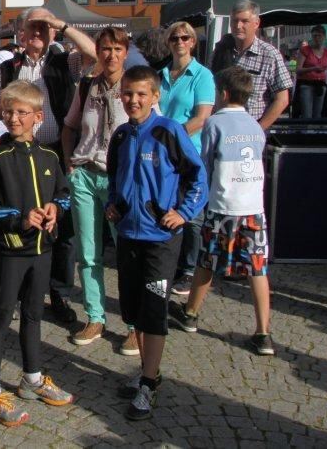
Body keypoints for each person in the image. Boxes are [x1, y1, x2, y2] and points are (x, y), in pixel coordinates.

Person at [105, 65, 207, 421]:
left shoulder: (169, 131)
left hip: (161, 239)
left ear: (155, 96)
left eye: (141, 94)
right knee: (132, 309)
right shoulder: (119, 136)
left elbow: (198, 177)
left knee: (153, 310)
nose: (134, 100)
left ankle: (149, 382)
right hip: (129, 235)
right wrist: (112, 206)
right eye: (128, 94)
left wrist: (183, 211)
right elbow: (115, 178)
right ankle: (148, 371)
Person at [0, 7, 97, 324]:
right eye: (31, 28)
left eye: (42, 28)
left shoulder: (65, 61)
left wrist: (60, 24)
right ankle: (22, 287)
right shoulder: (8, 66)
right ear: (20, 33)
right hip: (19, 152)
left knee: (60, 224)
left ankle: (57, 292)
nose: (37, 33)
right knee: (24, 216)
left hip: (54, 151)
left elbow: (93, 52)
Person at [0, 81, 74, 427]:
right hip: (11, 251)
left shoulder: (49, 156)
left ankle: (31, 378)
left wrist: (53, 209)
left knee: (34, 314)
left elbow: (64, 193)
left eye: (21, 113)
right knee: (1, 317)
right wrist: (19, 217)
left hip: (42, 250)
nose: (14, 118)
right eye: (8, 112)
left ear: (38, 117)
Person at [169, 66, 274, 355]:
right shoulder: (255, 125)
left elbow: (205, 163)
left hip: (222, 205)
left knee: (207, 260)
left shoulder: (214, 123)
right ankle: (263, 332)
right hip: (252, 206)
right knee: (257, 267)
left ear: (223, 93)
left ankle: (190, 313)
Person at [60, 27, 137, 355]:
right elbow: (69, 126)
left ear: (126, 51)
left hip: (119, 181)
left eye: (117, 49)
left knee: (127, 254)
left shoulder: (135, 87)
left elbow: (151, 129)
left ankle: (135, 324)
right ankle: (95, 316)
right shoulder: (88, 85)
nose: (111, 55)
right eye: (105, 48)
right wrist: (69, 165)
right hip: (85, 176)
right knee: (88, 253)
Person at [159, 22, 215, 296]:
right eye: (174, 37)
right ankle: (170, 263)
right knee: (167, 204)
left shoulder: (202, 75)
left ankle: (190, 268)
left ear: (192, 42)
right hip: (162, 153)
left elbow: (202, 117)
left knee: (191, 211)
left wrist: (172, 136)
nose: (179, 41)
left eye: (185, 37)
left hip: (188, 151)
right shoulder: (160, 75)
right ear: (168, 42)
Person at [210, 0, 292, 130]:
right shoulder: (220, 51)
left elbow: (282, 99)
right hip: (222, 128)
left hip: (251, 130)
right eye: (234, 21)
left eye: (244, 21)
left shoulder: (269, 55)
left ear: (256, 23)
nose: (238, 25)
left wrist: (258, 129)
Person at [294, 25, 327, 119]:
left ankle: (315, 133)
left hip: (320, 85)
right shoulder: (305, 50)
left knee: (318, 115)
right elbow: (298, 70)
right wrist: (313, 68)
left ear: (324, 37)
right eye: (314, 36)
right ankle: (307, 132)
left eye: (319, 36)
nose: (317, 38)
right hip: (306, 85)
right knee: (307, 115)